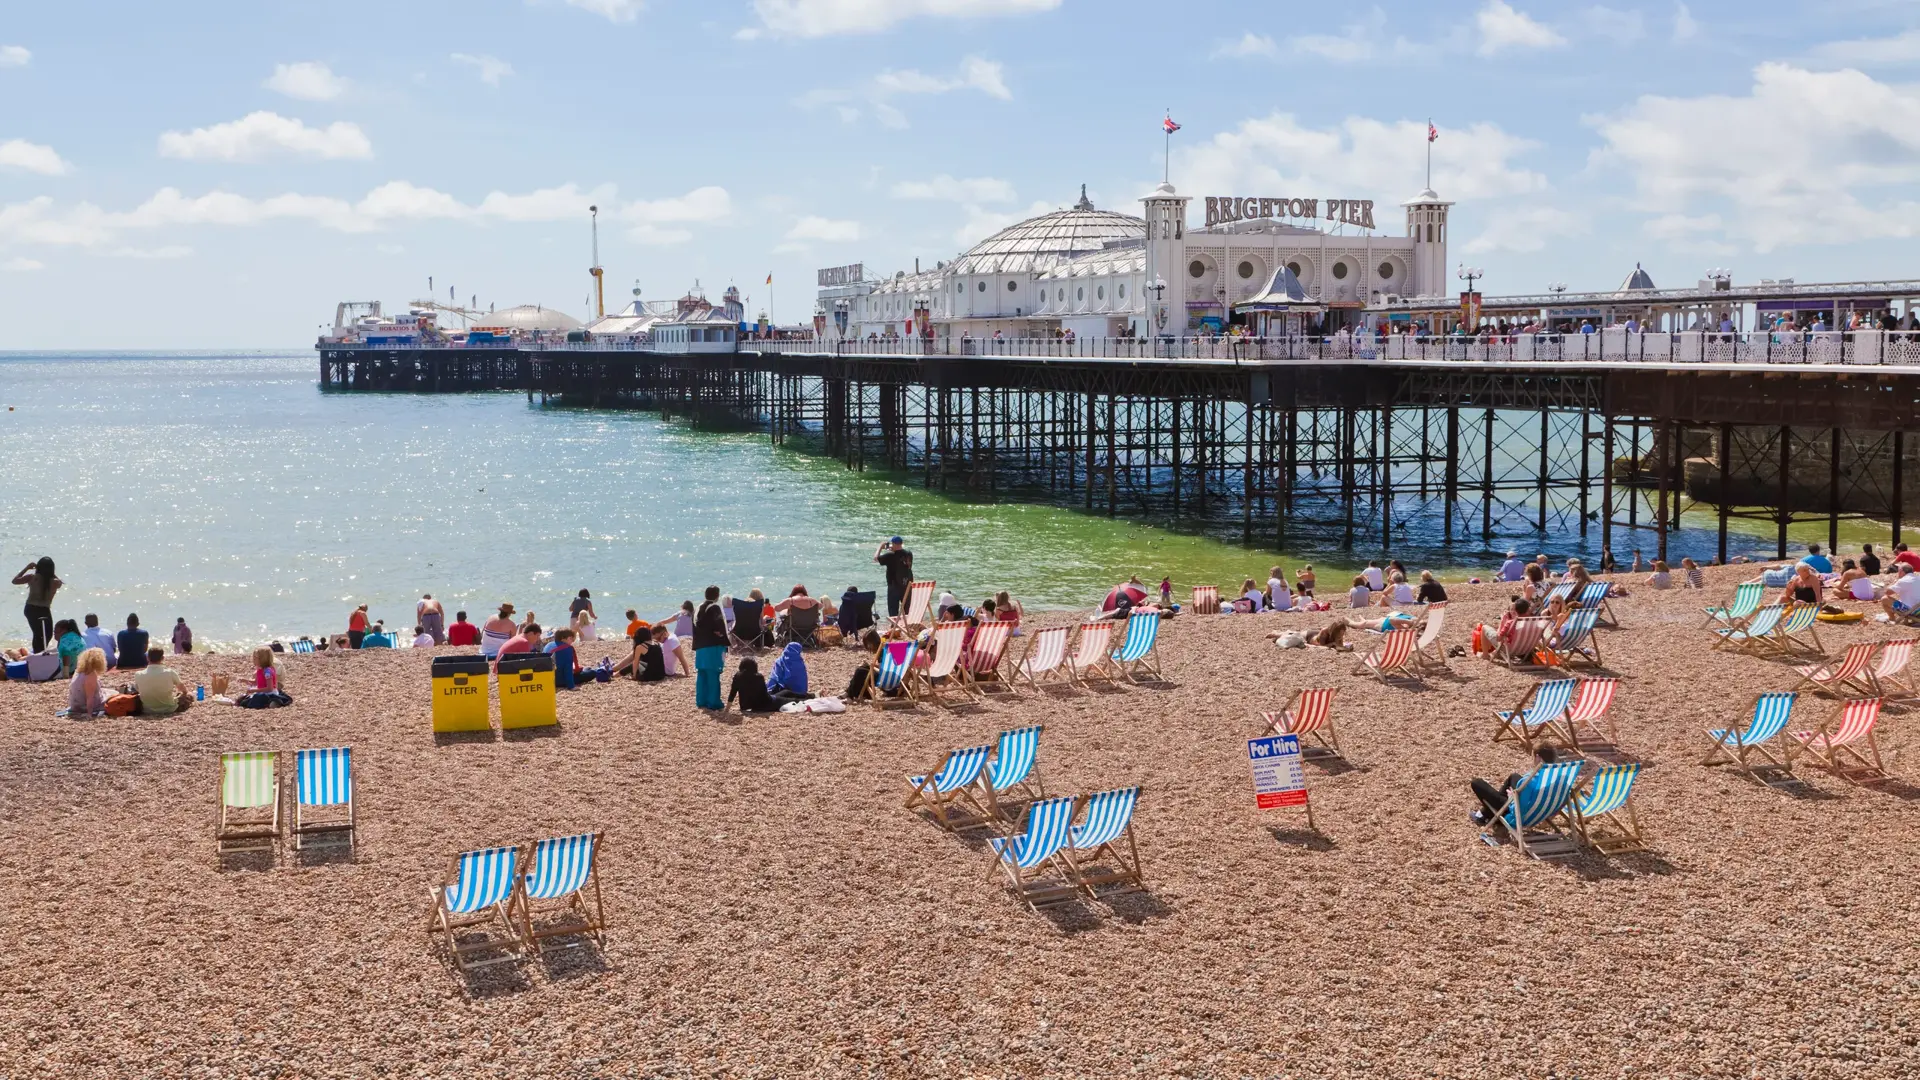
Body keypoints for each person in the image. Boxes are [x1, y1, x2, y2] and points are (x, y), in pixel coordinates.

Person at [1470, 746, 1561, 828]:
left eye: (1533, 757)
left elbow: (1520, 808)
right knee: (1513, 776)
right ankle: (1486, 813)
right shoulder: (1557, 780)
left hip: (1516, 815)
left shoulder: (1530, 780)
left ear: (1538, 758)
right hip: (1535, 814)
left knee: (1476, 782)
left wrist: (1512, 798)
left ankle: (1485, 814)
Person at [14, 556, 62, 653]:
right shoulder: (55, 582)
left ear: (38, 567)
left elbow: (15, 580)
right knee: (45, 635)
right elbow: (61, 582)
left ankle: (38, 653)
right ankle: (38, 654)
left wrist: (27, 568)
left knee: (40, 634)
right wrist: (51, 573)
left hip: (31, 609)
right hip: (42, 609)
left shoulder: (32, 578)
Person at [693, 586, 728, 710]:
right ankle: (713, 702)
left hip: (700, 646)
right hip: (713, 646)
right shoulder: (714, 607)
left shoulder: (698, 608)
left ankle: (701, 700)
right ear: (717, 596)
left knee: (702, 674)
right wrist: (721, 634)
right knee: (713, 674)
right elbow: (719, 625)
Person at [134, 647, 192, 716]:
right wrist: (184, 693)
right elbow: (183, 689)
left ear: (147, 658)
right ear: (162, 658)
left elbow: (138, 690)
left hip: (147, 709)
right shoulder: (170, 672)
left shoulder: (138, 674)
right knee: (189, 696)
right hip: (169, 708)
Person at [875, 536, 915, 618]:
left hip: (894, 586)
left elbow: (876, 558)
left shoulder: (890, 555)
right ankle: (906, 625)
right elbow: (899, 556)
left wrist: (880, 547)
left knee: (893, 610)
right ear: (901, 543)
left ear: (893, 544)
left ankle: (895, 627)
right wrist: (893, 549)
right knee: (906, 609)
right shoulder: (909, 554)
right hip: (907, 585)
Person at [68, 647, 109, 718]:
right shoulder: (90, 675)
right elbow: (90, 697)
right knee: (113, 694)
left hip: (75, 705)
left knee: (107, 691)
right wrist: (89, 713)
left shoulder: (78, 671)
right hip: (84, 707)